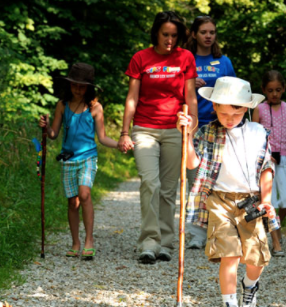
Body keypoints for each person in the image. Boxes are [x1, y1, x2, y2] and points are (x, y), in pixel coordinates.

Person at [177, 76, 276, 307]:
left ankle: (250, 286)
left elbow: (267, 168)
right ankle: (229, 303)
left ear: (247, 108)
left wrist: (267, 200)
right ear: (214, 106)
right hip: (219, 201)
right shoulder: (207, 132)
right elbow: (192, 164)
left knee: (256, 258)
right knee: (229, 255)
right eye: (223, 114)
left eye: (236, 114)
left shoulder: (259, 132)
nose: (229, 120)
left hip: (251, 201)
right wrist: (187, 135)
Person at [118, 11, 198, 264]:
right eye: (166, 34)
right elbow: (132, 98)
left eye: (175, 35)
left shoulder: (186, 57)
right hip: (144, 128)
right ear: (156, 33)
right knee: (150, 183)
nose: (170, 40)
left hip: (175, 129)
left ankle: (166, 242)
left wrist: (191, 128)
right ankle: (149, 242)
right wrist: (123, 131)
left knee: (168, 189)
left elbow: (191, 97)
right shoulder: (141, 58)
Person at [39, 62, 118, 259]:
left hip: (88, 157)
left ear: (89, 88)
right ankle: (75, 242)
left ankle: (89, 240)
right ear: (69, 85)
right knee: (72, 202)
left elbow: (103, 137)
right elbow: (54, 134)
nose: (78, 89)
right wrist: (46, 127)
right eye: (74, 85)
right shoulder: (62, 105)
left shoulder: (95, 107)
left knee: (84, 194)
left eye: (82, 86)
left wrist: (120, 143)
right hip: (68, 159)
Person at [184, 16, 236, 249]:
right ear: (194, 34)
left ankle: (219, 228)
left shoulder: (223, 61)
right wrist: (188, 84)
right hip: (193, 125)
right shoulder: (185, 59)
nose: (208, 36)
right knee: (196, 180)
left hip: (218, 125)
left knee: (219, 179)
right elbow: (172, 88)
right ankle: (196, 232)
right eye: (203, 32)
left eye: (212, 32)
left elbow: (235, 94)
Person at [252, 70, 286, 257]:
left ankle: (274, 224)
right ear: (264, 90)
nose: (274, 94)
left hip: (283, 158)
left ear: (284, 89)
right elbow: (252, 135)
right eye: (270, 90)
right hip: (265, 159)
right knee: (269, 200)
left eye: (278, 90)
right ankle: (276, 242)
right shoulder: (259, 109)